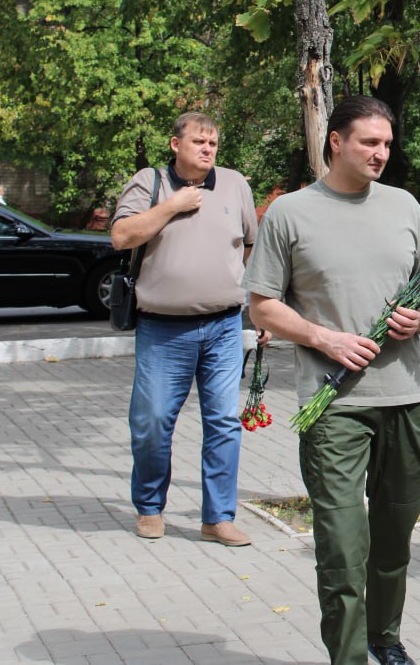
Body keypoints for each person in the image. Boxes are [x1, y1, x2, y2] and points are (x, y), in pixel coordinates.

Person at [244, 97, 420, 665]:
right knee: (340, 542)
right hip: (333, 407)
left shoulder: (405, 206)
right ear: (336, 142)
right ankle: (349, 657)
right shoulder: (290, 213)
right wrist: (324, 339)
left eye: (386, 143)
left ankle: (386, 639)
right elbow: (262, 307)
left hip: (405, 395)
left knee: (394, 534)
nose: (381, 153)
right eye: (369, 143)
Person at [110, 111, 260, 546]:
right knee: (153, 421)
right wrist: (172, 206)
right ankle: (150, 508)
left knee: (224, 422)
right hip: (163, 331)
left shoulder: (235, 184)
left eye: (213, 143)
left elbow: (249, 245)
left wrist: (245, 298)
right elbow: (121, 236)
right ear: (175, 144)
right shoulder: (150, 182)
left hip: (223, 326)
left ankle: (217, 517)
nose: (208, 149)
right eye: (198, 142)